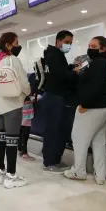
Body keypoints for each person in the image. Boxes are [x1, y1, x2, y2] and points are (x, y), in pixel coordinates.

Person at [64, 36, 106, 184]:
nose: (90, 48)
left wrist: (84, 104)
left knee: (79, 138)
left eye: (94, 46)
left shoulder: (98, 63)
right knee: (98, 141)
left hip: (95, 106)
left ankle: (78, 171)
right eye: (89, 45)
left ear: (103, 48)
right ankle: (100, 176)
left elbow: (95, 86)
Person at [0, 32, 30, 189]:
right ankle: (11, 176)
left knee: (0, 139)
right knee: (12, 140)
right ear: (8, 45)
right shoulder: (13, 60)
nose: (17, 46)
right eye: (16, 43)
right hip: (12, 105)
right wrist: (27, 92)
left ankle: (0, 173)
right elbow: (24, 83)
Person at [42, 30, 79, 173]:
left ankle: (55, 159)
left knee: (60, 129)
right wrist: (75, 73)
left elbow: (59, 72)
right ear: (58, 41)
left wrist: (70, 68)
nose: (69, 45)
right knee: (54, 130)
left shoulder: (55, 55)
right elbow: (61, 76)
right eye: (67, 42)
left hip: (57, 97)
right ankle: (50, 161)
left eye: (70, 43)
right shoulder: (54, 56)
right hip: (55, 97)